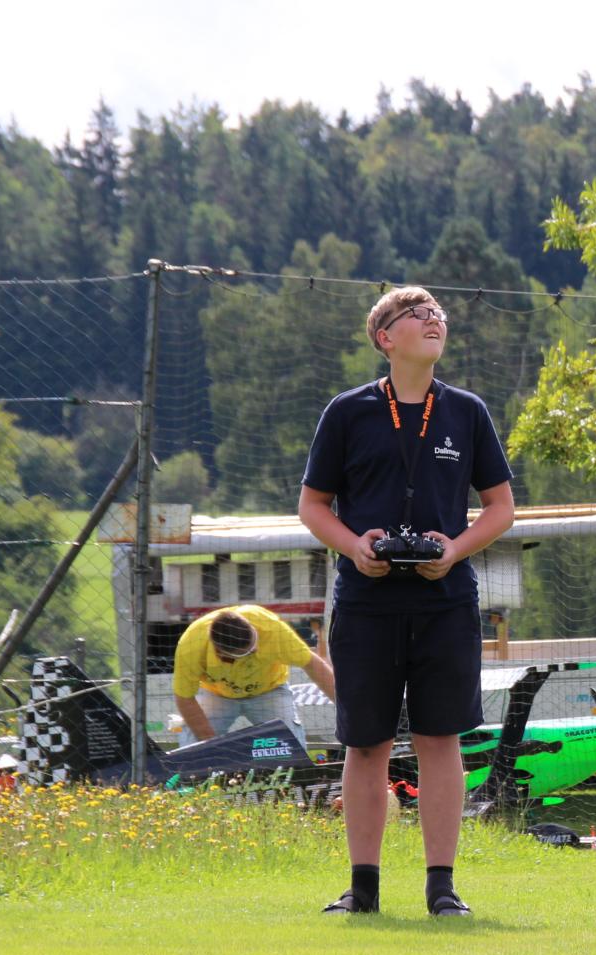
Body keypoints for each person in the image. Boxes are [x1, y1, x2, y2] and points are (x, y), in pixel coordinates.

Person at [298, 285, 514, 917]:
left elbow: (500, 507)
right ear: (385, 338)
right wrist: (355, 545)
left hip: (445, 600)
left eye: (438, 313)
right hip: (366, 601)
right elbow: (313, 505)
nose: (433, 320)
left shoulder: (466, 411)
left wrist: (455, 549)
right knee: (365, 744)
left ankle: (442, 889)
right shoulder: (348, 412)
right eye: (417, 315)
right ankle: (362, 889)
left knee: (439, 739)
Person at [171, 605, 334, 749]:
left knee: (292, 745)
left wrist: (345, 706)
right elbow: (184, 698)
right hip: (216, 695)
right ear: (221, 653)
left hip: (270, 691)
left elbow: (313, 664)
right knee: (193, 747)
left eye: (255, 642)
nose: (255, 649)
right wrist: (210, 744)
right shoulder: (190, 647)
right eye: (248, 653)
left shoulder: (271, 628)